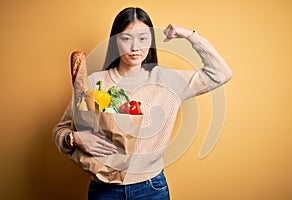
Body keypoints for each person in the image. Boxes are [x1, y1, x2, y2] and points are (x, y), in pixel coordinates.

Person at [52, 7, 232, 200]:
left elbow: (221, 73)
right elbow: (60, 130)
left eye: (143, 38)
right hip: (103, 190)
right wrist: (75, 138)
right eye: (126, 38)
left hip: (150, 188)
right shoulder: (93, 82)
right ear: (115, 41)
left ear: (151, 41)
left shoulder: (167, 80)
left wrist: (189, 35)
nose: (135, 47)